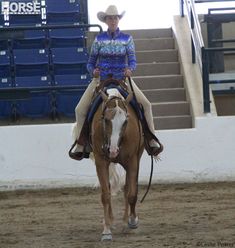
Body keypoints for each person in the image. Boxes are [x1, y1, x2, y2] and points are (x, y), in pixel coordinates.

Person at [70, 5, 163, 160]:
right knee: (79, 109)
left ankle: (151, 139)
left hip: (122, 79)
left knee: (146, 105)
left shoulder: (127, 39)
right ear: (106, 21)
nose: (112, 20)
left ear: (118, 19)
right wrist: (93, 71)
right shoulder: (99, 39)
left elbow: (132, 60)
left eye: (115, 18)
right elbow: (90, 63)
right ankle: (81, 143)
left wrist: (130, 69)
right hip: (101, 80)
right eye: (109, 18)